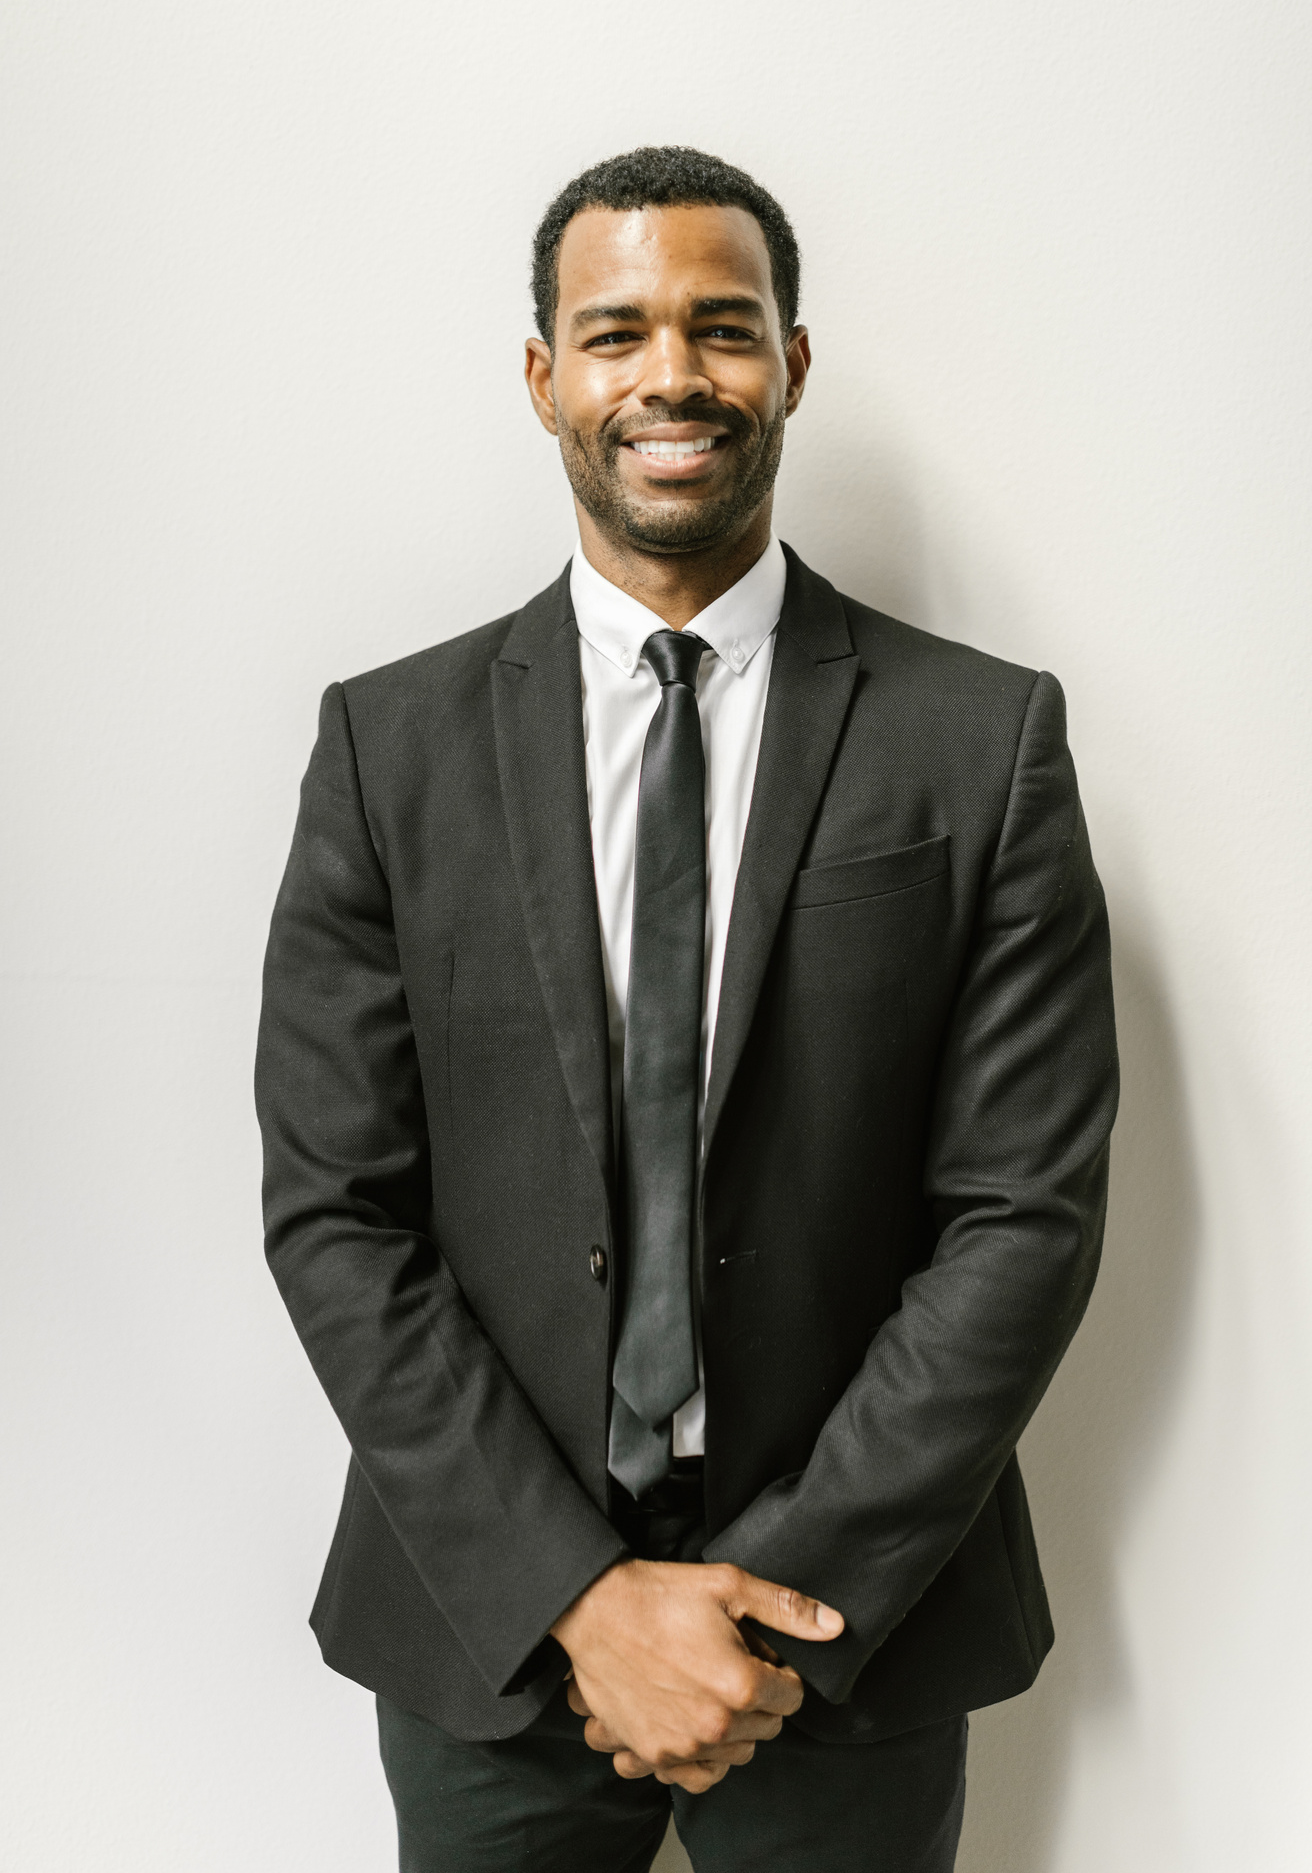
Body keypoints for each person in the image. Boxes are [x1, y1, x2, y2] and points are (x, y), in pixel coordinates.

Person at [255, 145, 1120, 1872]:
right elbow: (339, 1215)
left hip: (846, 1632)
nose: (671, 375)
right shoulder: (386, 749)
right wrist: (579, 1600)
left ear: (792, 364)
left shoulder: (983, 738)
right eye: (616, 331)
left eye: (722, 329)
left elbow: (1020, 1217)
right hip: (488, 1624)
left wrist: (772, 1601)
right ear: (543, 377)